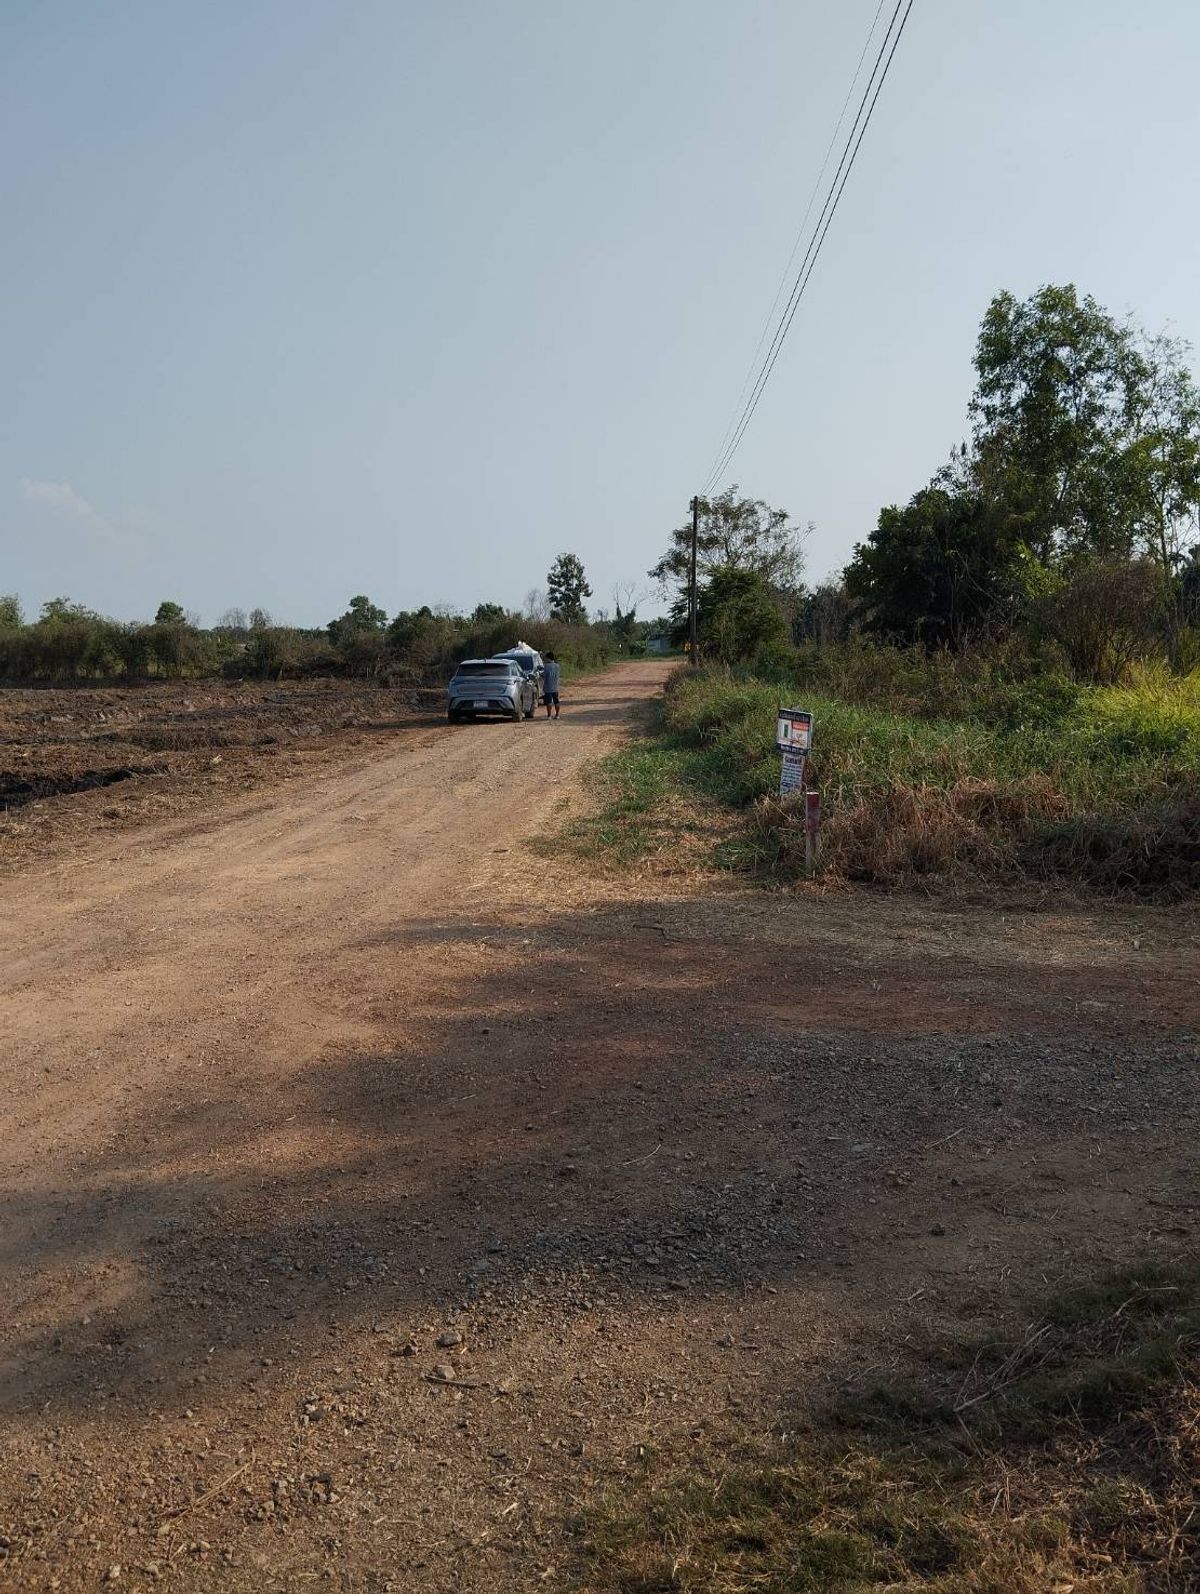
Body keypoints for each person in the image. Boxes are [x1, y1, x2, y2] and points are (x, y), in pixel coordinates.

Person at [542, 652, 561, 718]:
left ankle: (549, 715)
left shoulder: (546, 666)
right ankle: (557, 715)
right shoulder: (557, 666)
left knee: (549, 702)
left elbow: (544, 676)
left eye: (546, 658)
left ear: (548, 658)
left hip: (548, 687)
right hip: (556, 687)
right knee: (556, 701)